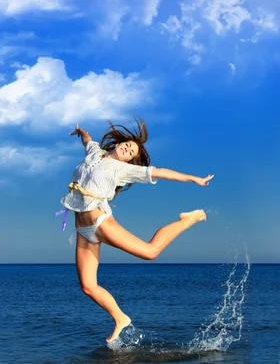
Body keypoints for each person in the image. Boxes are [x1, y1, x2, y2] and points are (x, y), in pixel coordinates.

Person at [60, 119, 214, 343]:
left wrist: (193, 178)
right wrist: (79, 131)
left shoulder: (123, 169)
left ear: (129, 160)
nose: (128, 149)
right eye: (128, 145)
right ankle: (120, 318)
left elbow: (159, 171)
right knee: (88, 286)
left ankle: (188, 219)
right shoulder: (95, 153)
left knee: (150, 252)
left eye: (131, 152)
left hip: (101, 222)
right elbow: (88, 139)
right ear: (119, 143)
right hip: (83, 230)